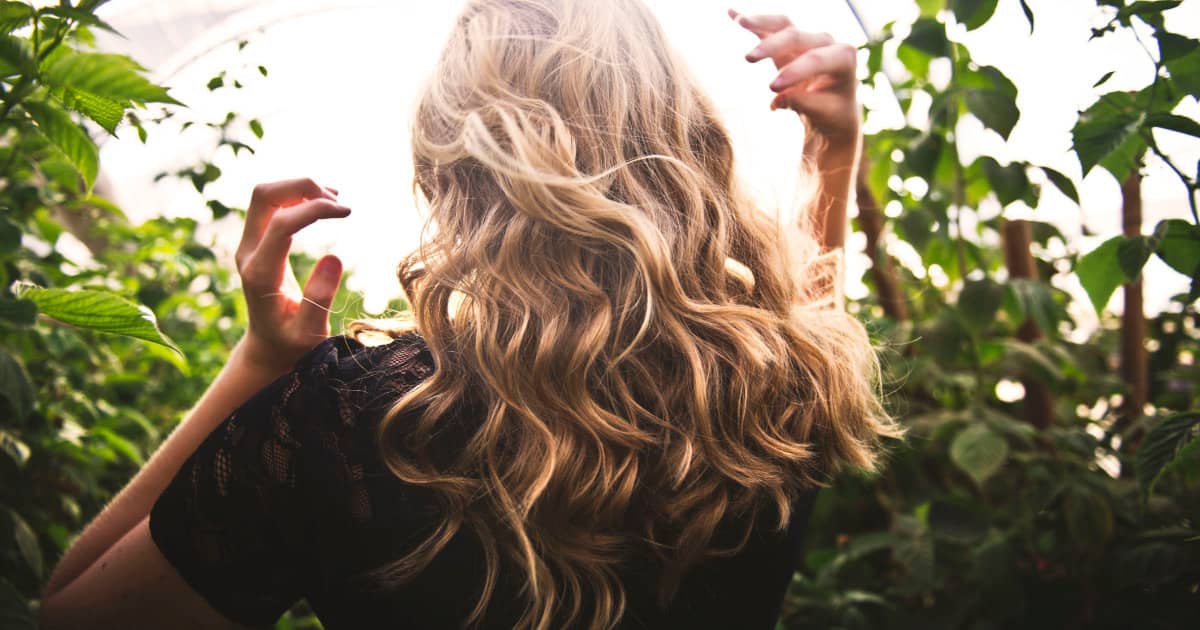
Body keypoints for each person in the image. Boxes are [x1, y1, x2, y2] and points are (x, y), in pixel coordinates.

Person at [39, 1, 900, 628]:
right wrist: (832, 151)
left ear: (450, 169)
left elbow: (72, 614)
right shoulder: (781, 388)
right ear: (679, 130)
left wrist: (261, 364)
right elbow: (807, 317)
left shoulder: (353, 424)